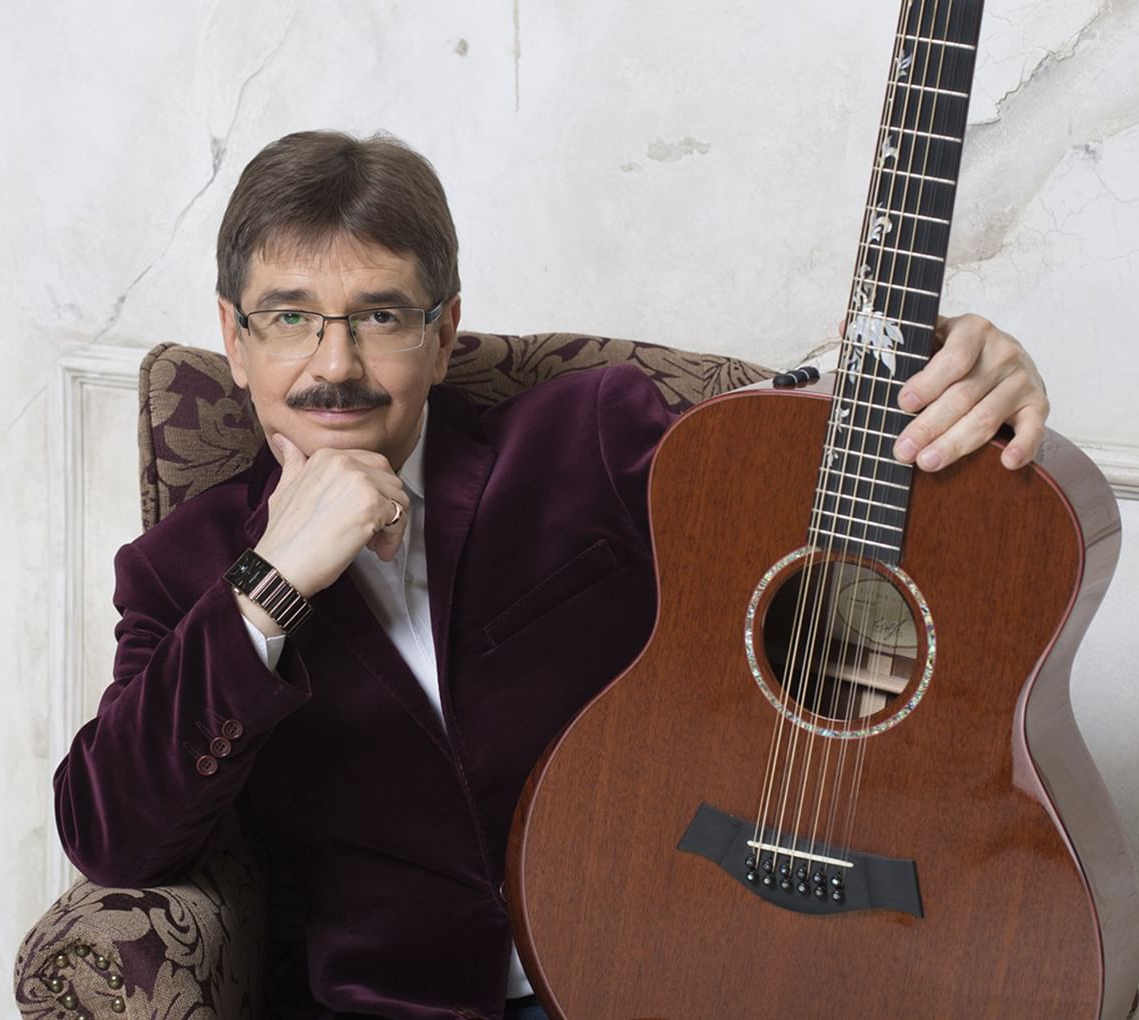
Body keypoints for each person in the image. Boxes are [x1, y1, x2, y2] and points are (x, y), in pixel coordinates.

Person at [53, 130, 1050, 1019]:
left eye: (381, 316)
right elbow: (112, 835)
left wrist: (945, 370)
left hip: (685, 976)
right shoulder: (183, 570)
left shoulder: (589, 439)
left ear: (443, 335)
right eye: (289, 318)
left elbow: (801, 473)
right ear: (234, 340)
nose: (336, 364)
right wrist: (274, 582)